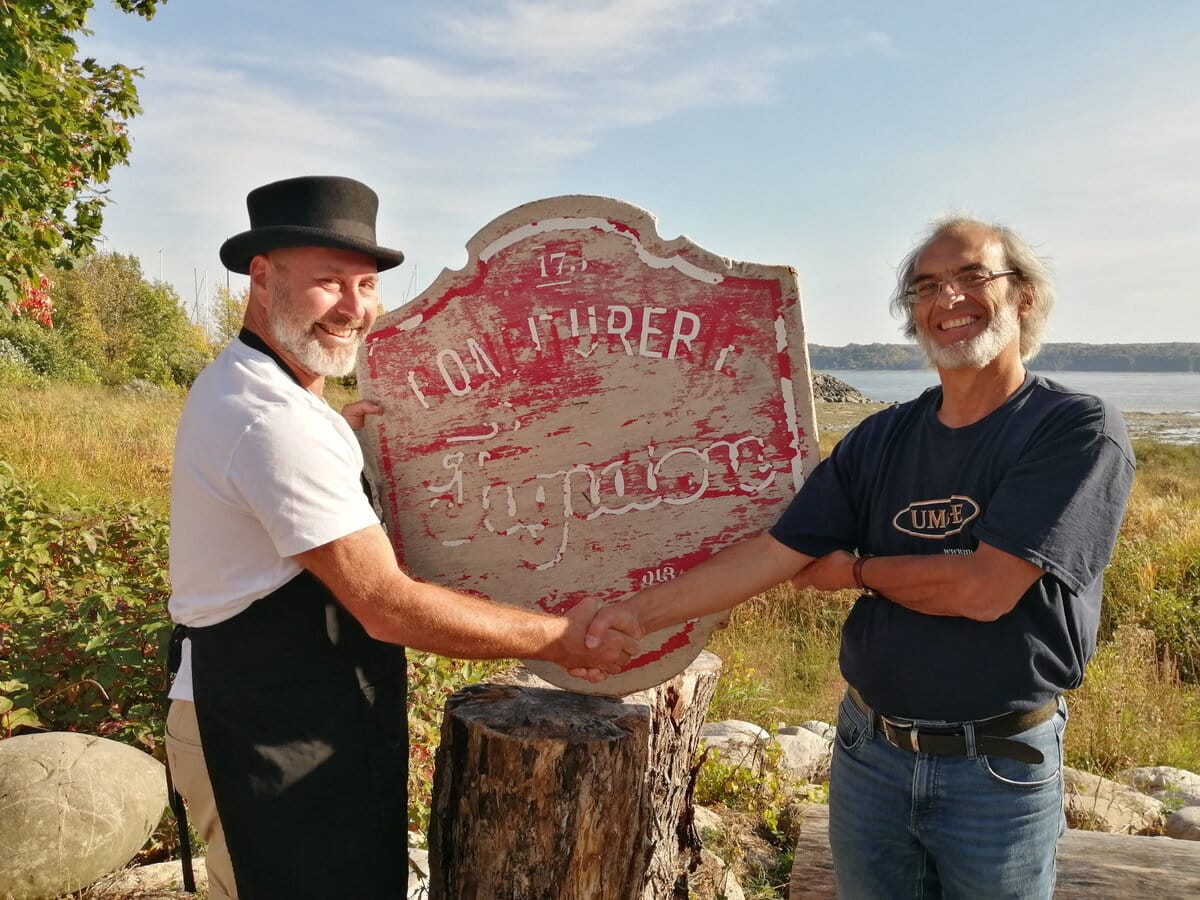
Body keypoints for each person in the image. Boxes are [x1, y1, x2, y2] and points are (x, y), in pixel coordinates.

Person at [583, 216, 1135, 898]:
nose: (949, 298)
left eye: (972, 276)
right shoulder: (879, 440)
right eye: (927, 286)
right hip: (868, 756)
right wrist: (633, 615)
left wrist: (857, 572)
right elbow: (773, 552)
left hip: (997, 769)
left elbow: (985, 589)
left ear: (1023, 296)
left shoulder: (1073, 428)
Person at [163, 175, 638, 900]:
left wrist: (341, 435)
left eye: (366, 284)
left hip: (295, 713)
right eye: (329, 283)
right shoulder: (273, 420)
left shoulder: (270, 392)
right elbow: (384, 604)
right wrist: (556, 638)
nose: (355, 308)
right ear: (262, 278)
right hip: (260, 729)